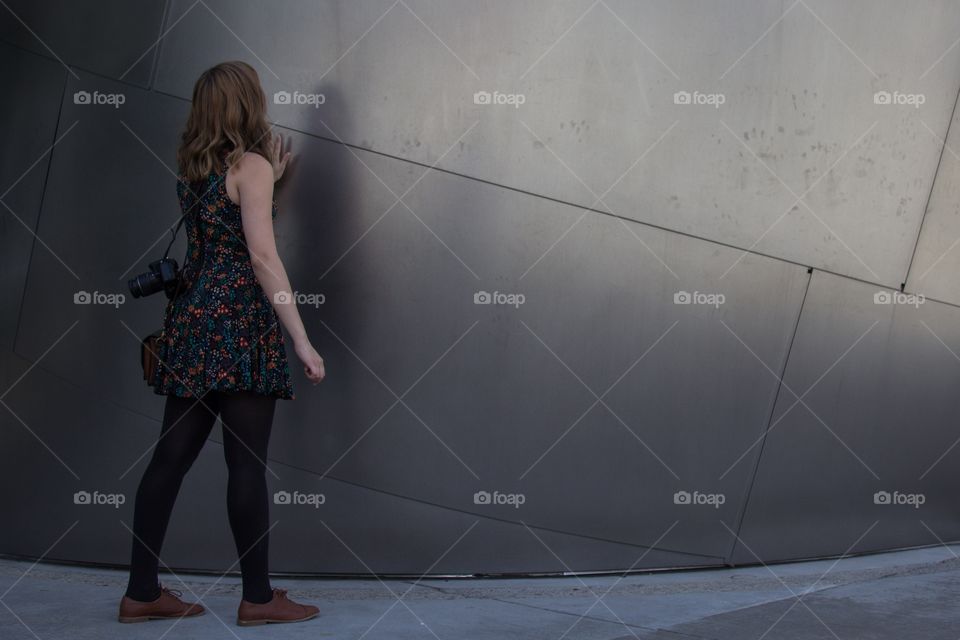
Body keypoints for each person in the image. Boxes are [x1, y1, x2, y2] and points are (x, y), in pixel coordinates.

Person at [118, 60, 326, 627]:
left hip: (192, 324)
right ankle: (258, 600)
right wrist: (302, 341)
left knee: (168, 461)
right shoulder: (251, 165)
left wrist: (271, 185)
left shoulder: (192, 169)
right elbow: (260, 255)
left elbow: (220, 233)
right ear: (248, 103)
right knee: (246, 465)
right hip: (240, 325)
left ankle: (141, 592)